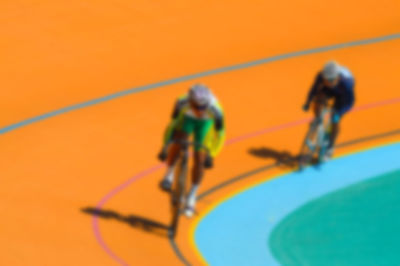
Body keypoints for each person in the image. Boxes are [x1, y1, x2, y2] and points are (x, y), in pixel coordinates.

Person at [158, 84, 225, 217]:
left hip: (205, 124)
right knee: (179, 139)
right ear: (190, 101)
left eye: (203, 107)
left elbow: (220, 135)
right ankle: (169, 173)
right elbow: (171, 126)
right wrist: (165, 146)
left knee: (199, 159)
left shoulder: (216, 111)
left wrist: (211, 154)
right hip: (187, 119)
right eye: (197, 107)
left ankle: (192, 197)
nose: (200, 111)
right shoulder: (181, 103)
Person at [302, 60, 355, 159]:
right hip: (330, 90)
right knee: (318, 98)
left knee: (335, 120)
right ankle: (318, 120)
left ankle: (330, 147)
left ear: (338, 77)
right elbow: (313, 90)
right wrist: (308, 103)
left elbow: (349, 103)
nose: (327, 82)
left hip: (342, 96)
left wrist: (338, 113)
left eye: (330, 80)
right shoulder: (322, 77)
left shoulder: (347, 83)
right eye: (326, 79)